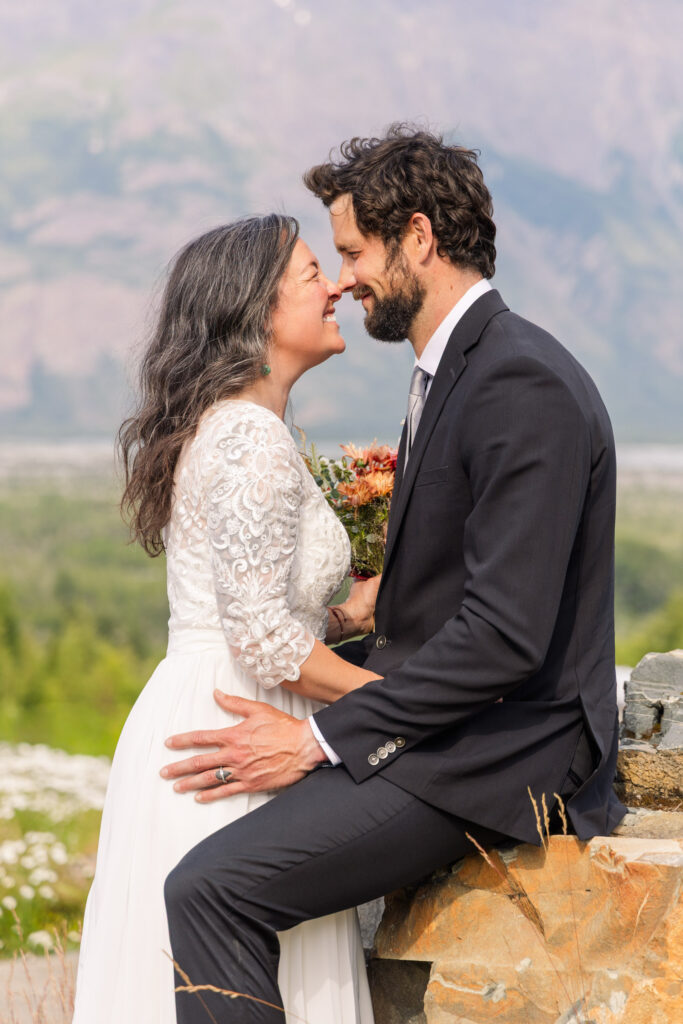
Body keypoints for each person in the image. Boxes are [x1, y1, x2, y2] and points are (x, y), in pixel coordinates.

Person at [161, 125, 627, 1024]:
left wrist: (317, 740)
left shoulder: (515, 381)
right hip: (452, 735)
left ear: (418, 238)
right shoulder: (458, 370)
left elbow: (501, 638)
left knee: (212, 888)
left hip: (503, 755)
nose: (340, 280)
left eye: (352, 252)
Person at [72, 215, 382, 1024]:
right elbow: (262, 638)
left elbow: (263, 611)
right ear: (257, 306)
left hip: (209, 697)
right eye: (314, 272)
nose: (337, 286)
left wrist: (350, 611)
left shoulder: (231, 427)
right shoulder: (249, 437)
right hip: (239, 727)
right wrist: (388, 703)